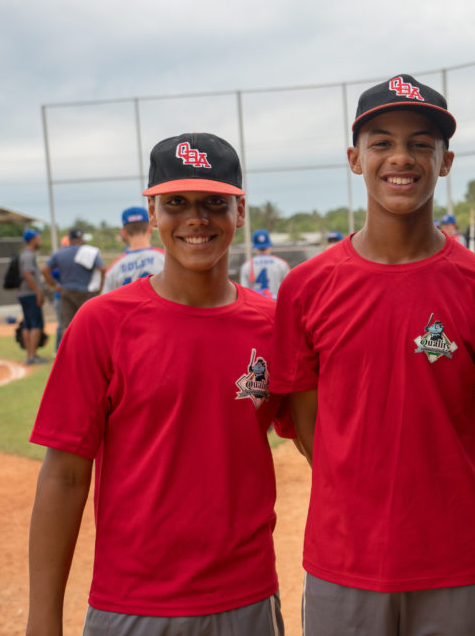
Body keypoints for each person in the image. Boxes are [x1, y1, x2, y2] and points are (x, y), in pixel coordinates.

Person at [271, 73, 475, 636]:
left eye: (422, 143)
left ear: (445, 161)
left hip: (459, 565)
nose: (402, 157)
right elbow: (308, 427)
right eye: (383, 143)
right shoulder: (305, 288)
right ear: (355, 159)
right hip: (344, 565)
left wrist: (471, 537)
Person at [27, 132, 286, 636]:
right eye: (176, 203)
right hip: (131, 602)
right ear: (152, 214)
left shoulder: (275, 324)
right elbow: (63, 477)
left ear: (241, 212)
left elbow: (328, 443)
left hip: (247, 598)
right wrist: (42, 621)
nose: (196, 218)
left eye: (215, 201)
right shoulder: (102, 324)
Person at [41, 228, 106, 348]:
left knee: (67, 325)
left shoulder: (60, 253)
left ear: (69, 239)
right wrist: (100, 287)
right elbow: (102, 268)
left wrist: (55, 286)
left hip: (67, 291)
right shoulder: (89, 252)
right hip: (87, 293)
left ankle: (69, 352)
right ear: (81, 239)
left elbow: (44, 270)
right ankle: (89, 352)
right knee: (89, 325)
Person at [102, 205, 165, 292]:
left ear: (123, 232)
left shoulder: (114, 269)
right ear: (150, 228)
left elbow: (106, 301)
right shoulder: (165, 258)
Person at [17, 228, 47, 365]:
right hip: (30, 294)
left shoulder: (26, 254)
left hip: (25, 293)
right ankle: (32, 355)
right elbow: (27, 274)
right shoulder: (28, 255)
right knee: (35, 324)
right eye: (38, 237)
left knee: (28, 324)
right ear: (32, 239)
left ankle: (30, 355)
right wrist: (38, 292)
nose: (40, 240)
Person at [239, 229, 290, 299]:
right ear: (269, 245)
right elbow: (289, 289)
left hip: (256, 306)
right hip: (276, 305)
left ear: (255, 246)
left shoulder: (246, 266)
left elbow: (243, 293)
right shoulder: (282, 264)